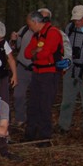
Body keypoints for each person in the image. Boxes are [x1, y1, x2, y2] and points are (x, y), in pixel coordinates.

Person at [24, 11, 64, 147]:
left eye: (30, 25)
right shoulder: (36, 35)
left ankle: (44, 137)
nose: (29, 27)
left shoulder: (53, 33)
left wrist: (36, 53)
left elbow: (46, 52)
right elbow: (26, 53)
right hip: (36, 73)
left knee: (45, 105)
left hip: (49, 73)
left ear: (36, 22)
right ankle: (30, 134)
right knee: (33, 104)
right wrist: (36, 52)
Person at [58, 6, 83, 137]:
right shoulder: (70, 28)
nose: (77, 22)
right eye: (75, 20)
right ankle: (63, 126)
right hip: (71, 68)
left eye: (79, 20)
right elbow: (64, 45)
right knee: (67, 99)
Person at [10, 17, 36, 127]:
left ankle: (34, 120)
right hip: (22, 67)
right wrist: (13, 39)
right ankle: (20, 118)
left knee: (37, 96)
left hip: (38, 69)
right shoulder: (25, 29)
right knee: (18, 94)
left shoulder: (49, 33)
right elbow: (15, 46)